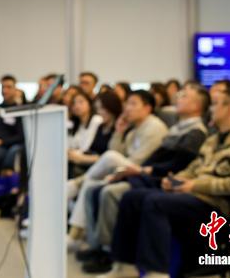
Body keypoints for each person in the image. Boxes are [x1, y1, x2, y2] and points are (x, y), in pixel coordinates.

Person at [101, 86, 230, 278]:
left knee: (155, 202)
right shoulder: (214, 140)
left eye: (215, 104)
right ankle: (124, 265)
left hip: (221, 207)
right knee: (132, 197)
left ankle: (157, 272)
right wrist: (175, 181)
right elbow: (194, 168)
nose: (211, 109)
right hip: (196, 197)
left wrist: (194, 185)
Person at [78, 84, 209, 273]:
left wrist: (144, 171)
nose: (178, 98)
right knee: (97, 189)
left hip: (162, 178)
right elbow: (137, 155)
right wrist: (120, 133)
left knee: (114, 192)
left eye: (184, 96)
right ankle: (109, 253)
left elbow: (178, 164)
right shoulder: (176, 129)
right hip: (153, 175)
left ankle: (114, 255)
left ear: (197, 106)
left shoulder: (195, 132)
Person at [67, 90, 168, 249]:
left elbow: (135, 161)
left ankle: (76, 184)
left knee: (109, 158)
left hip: (142, 172)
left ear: (147, 108)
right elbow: (117, 152)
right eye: (127, 104)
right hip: (128, 168)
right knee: (91, 184)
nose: (127, 108)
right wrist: (119, 132)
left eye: (133, 104)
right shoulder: (134, 129)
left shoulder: (154, 127)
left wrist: (114, 171)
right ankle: (79, 236)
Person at [68, 89, 121, 178]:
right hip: (92, 165)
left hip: (103, 169)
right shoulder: (101, 126)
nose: (99, 112)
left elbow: (111, 154)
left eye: (102, 108)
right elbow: (91, 149)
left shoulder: (116, 128)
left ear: (111, 107)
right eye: (98, 108)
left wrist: (81, 158)